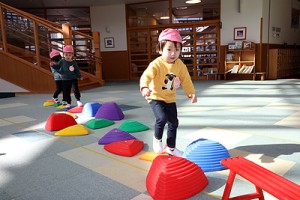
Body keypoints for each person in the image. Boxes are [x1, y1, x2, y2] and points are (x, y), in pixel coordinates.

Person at [140, 28, 197, 157]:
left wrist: (191, 93)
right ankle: (157, 139)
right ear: (160, 50)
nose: (173, 53)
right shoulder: (156, 64)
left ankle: (171, 147)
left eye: (177, 50)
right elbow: (146, 76)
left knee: (174, 123)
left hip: (170, 98)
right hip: (155, 97)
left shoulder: (180, 65)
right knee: (161, 118)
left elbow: (186, 79)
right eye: (169, 49)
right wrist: (144, 87)